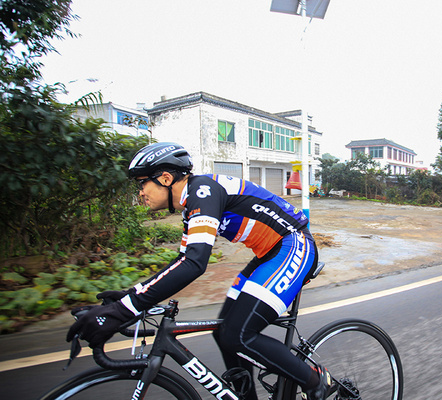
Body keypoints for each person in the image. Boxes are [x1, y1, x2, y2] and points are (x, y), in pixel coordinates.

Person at [66, 142, 333, 400]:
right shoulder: (192, 205)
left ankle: (315, 379)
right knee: (223, 333)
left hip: (294, 244)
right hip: (268, 254)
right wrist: (129, 297)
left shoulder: (202, 190)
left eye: (142, 183)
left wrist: (123, 309)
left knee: (237, 333)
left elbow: (195, 263)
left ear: (166, 178)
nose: (141, 193)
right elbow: (183, 260)